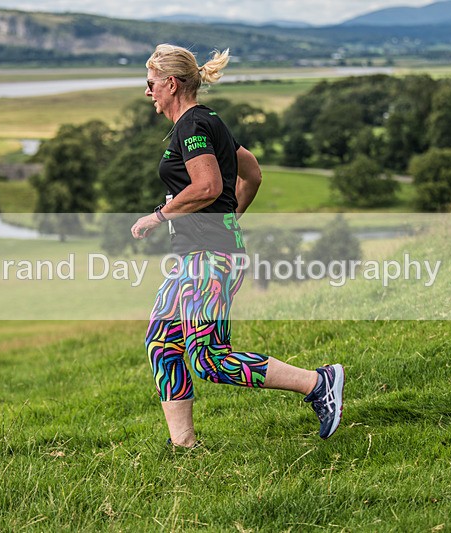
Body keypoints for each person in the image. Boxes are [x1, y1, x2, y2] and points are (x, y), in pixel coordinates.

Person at [131, 44, 345, 448]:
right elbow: (252, 173)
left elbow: (208, 186)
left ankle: (319, 383)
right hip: (201, 254)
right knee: (162, 341)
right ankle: (185, 448)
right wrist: (228, 221)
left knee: (209, 357)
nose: (148, 92)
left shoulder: (193, 127)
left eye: (151, 83)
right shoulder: (208, 121)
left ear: (171, 84)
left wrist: (159, 216)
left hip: (210, 258)